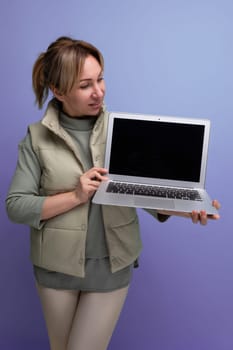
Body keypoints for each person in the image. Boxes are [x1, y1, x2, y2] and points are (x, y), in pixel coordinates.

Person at [6, 36, 220, 350]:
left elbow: (142, 193)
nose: (99, 92)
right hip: (55, 270)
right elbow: (16, 206)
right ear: (58, 91)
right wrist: (76, 195)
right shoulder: (36, 138)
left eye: (100, 79)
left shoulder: (121, 130)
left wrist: (186, 210)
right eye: (85, 85)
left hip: (111, 267)